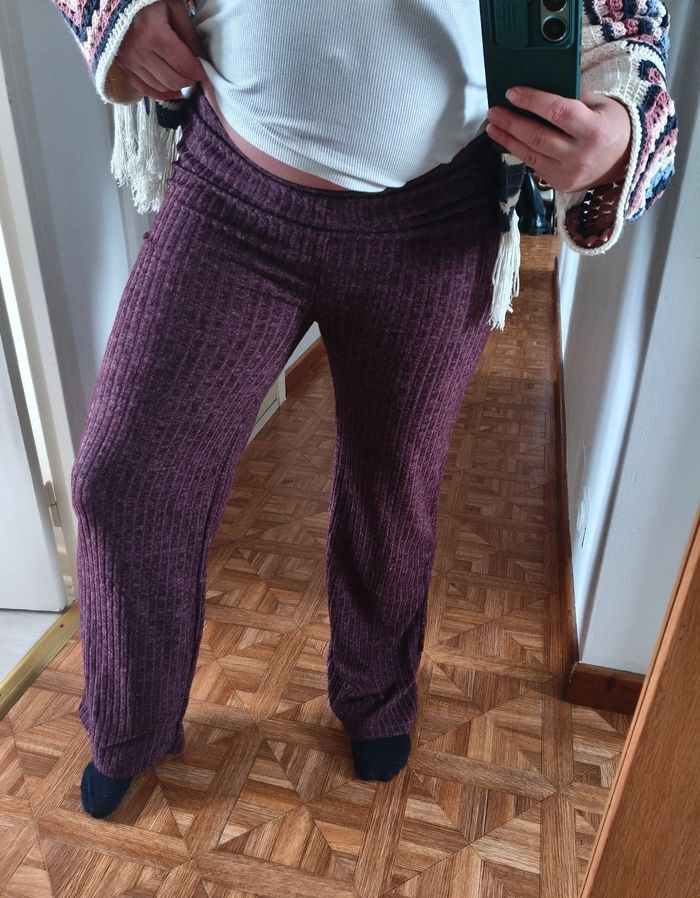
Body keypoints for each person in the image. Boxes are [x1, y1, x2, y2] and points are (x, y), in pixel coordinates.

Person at [47, 0, 676, 818]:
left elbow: (635, 30)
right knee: (122, 480)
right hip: (229, 194)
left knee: (391, 491)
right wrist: (108, 11)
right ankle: (130, 722)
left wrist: (619, 132)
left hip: (437, 219)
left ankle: (376, 694)